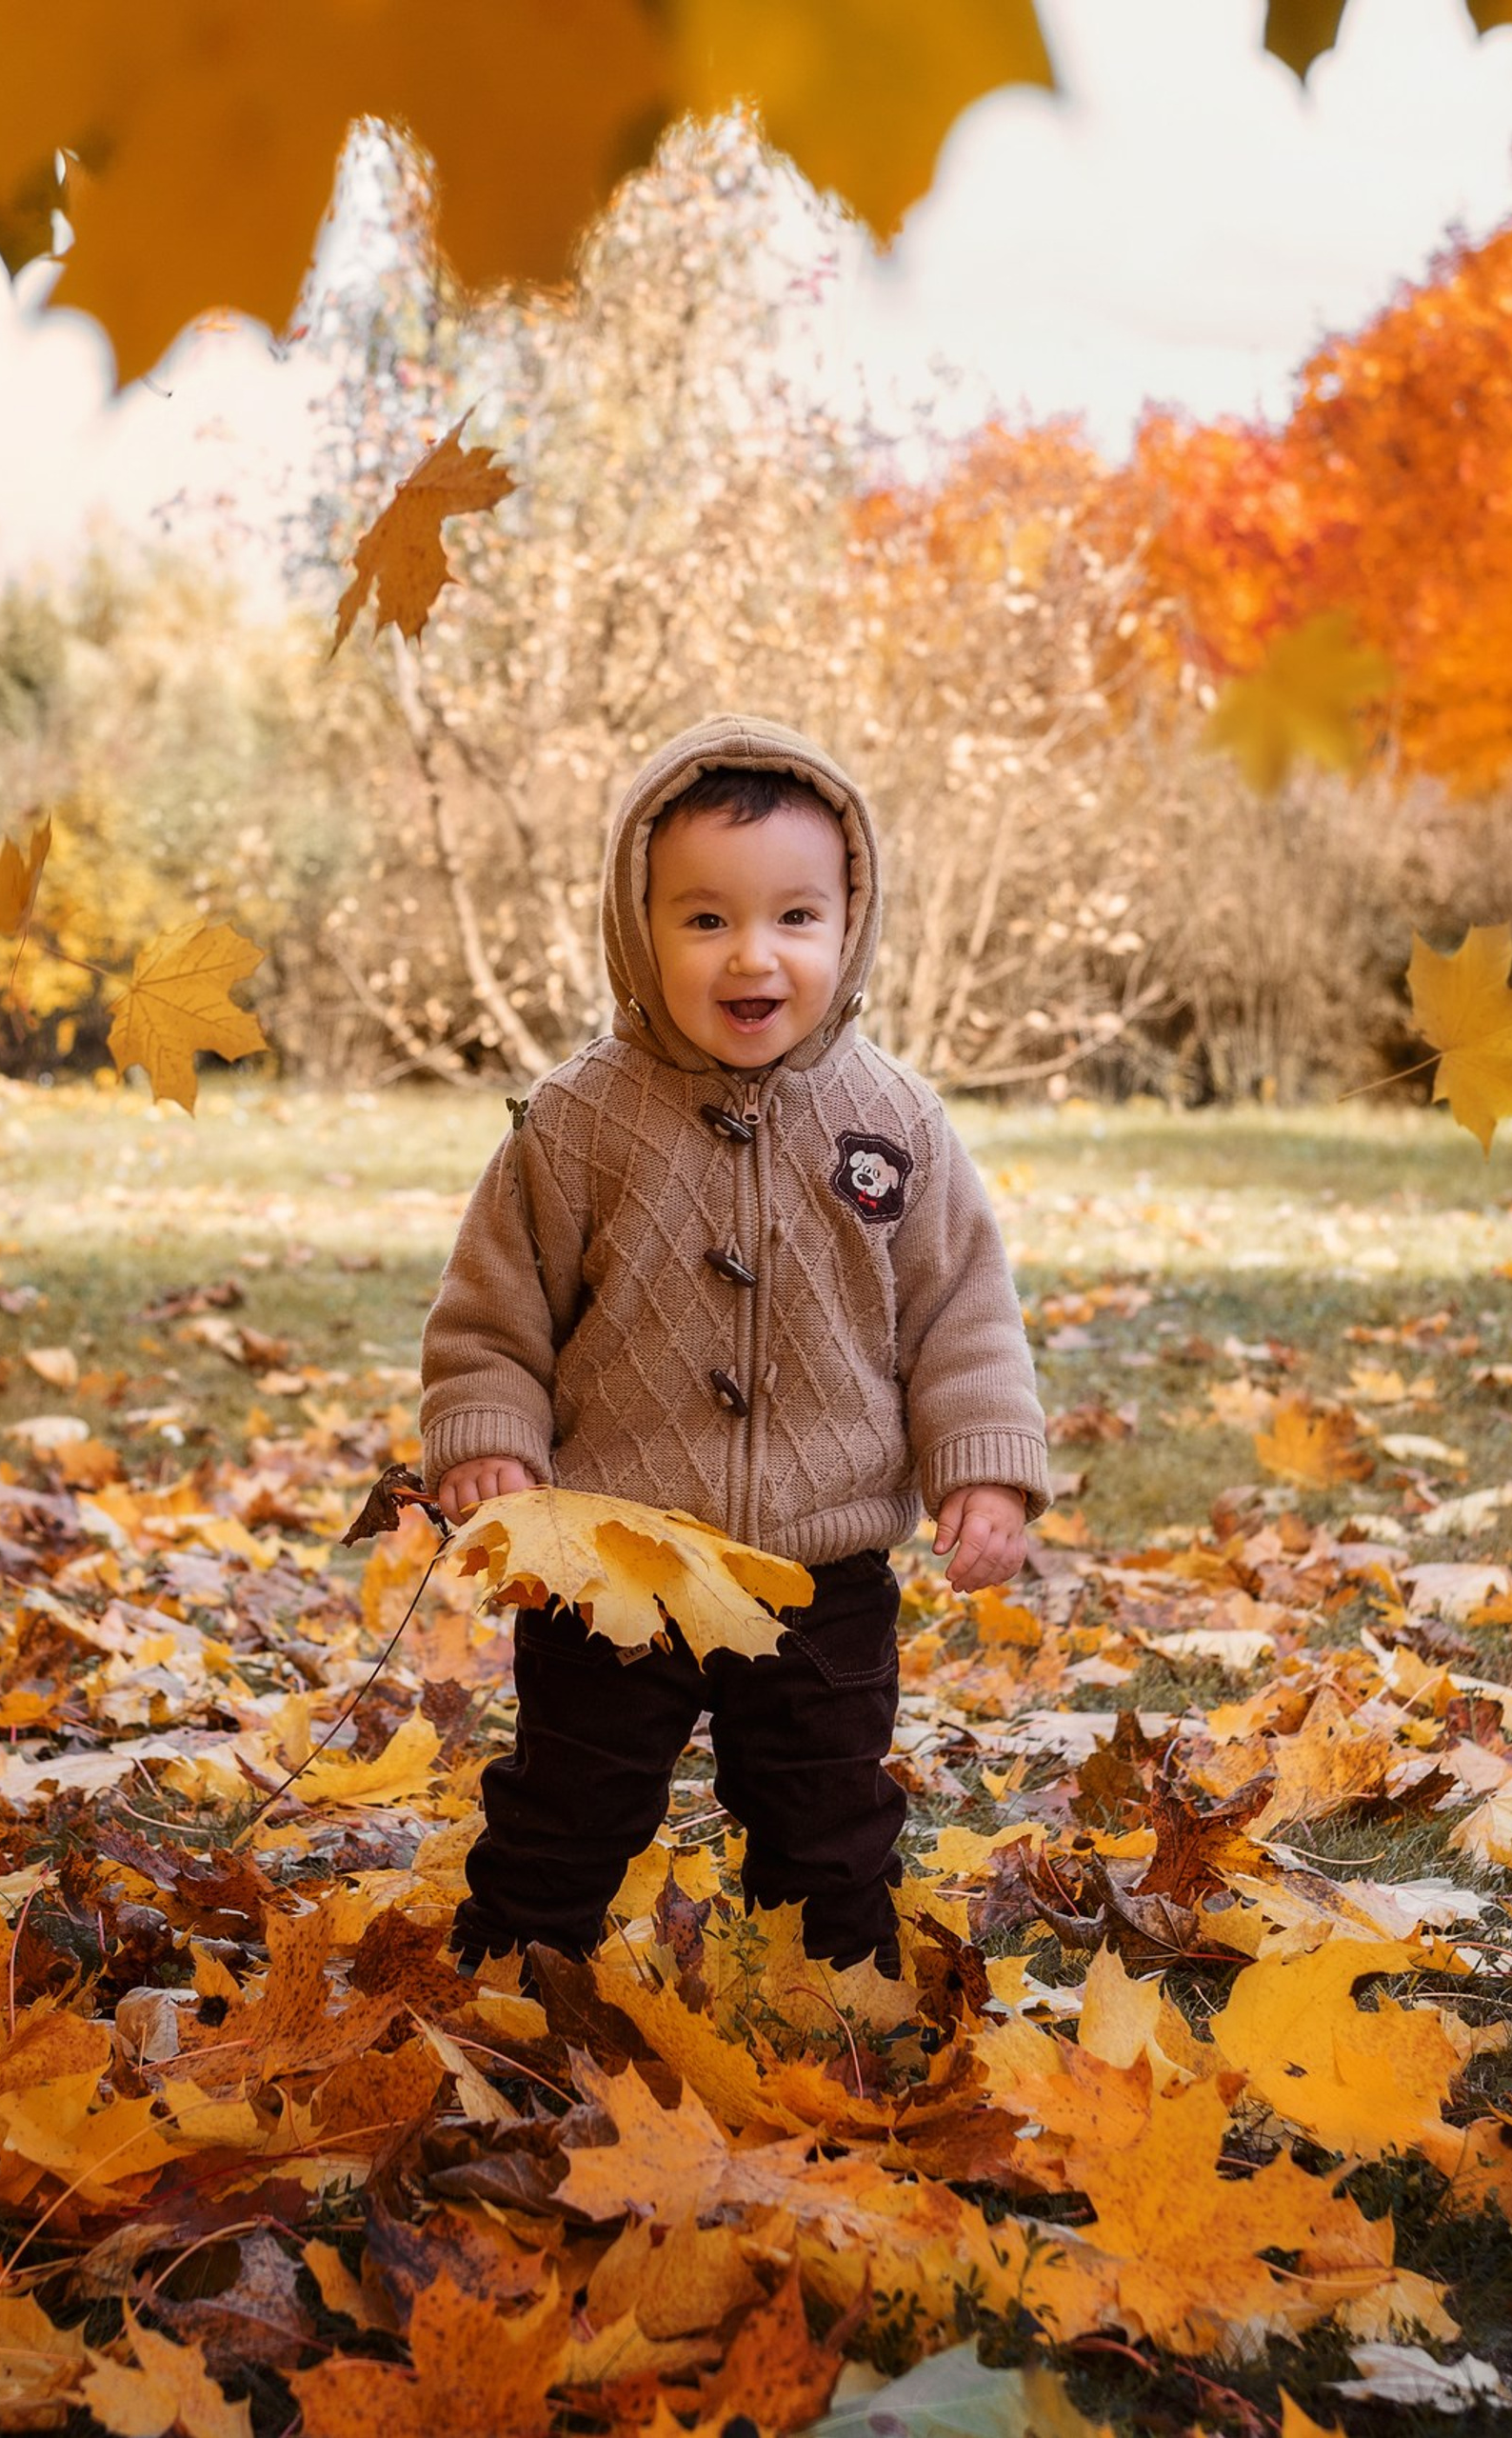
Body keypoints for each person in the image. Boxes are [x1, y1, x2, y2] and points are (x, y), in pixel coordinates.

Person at [420, 712, 1051, 1977]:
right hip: (614, 1561)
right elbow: (494, 1314)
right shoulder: (574, 1122)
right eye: (705, 919)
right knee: (566, 1805)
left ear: (849, 924)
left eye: (795, 919)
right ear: (635, 929)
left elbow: (959, 1316)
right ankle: (512, 1975)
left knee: (830, 1819)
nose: (752, 955)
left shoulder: (895, 1122)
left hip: (822, 1571)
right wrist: (489, 1440)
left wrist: (981, 1467)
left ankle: (842, 1992)